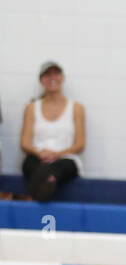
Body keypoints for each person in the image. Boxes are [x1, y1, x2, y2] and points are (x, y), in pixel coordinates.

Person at [19, 61, 85, 202]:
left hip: (65, 158)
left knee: (57, 168)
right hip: (38, 157)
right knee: (32, 165)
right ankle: (47, 182)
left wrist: (57, 154)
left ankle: (30, 197)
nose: (52, 78)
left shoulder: (76, 108)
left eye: (56, 73)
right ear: (41, 80)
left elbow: (80, 145)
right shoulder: (31, 107)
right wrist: (40, 153)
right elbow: (24, 143)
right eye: (47, 74)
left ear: (62, 78)